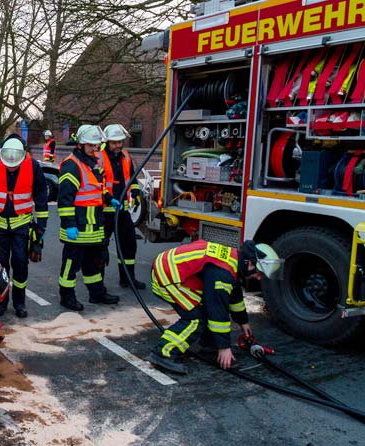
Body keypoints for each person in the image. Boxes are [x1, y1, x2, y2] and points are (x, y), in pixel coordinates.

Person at [147, 240, 282, 374]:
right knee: (196, 319)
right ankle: (162, 353)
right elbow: (216, 310)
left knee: (205, 310)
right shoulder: (222, 274)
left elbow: (234, 295)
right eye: (260, 273)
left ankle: (210, 347)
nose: (259, 278)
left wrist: (243, 321)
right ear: (251, 264)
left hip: (175, 271)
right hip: (167, 276)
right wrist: (224, 347)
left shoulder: (234, 262)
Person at [0, 134, 49, 318]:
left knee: (21, 262)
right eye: (8, 165)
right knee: (1, 265)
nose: (11, 167)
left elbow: (41, 197)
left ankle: (19, 303)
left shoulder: (33, 166)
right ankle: (2, 302)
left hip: (21, 224)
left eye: (15, 165)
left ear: (22, 157)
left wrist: (41, 227)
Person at [57, 125, 120, 311]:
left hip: (93, 227)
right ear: (80, 145)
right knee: (71, 265)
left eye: (97, 145)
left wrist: (109, 199)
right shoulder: (72, 165)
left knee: (93, 264)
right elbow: (65, 199)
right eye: (92, 146)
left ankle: (97, 293)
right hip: (77, 228)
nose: (96, 149)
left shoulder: (92, 163)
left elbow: (97, 188)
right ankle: (66, 297)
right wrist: (69, 225)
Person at [100, 124, 145, 289]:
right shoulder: (99, 157)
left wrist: (136, 193)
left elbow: (131, 178)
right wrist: (107, 196)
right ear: (107, 142)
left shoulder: (125, 156)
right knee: (100, 248)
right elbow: (96, 183)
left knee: (128, 244)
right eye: (114, 143)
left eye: (120, 142)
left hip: (123, 210)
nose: (118, 146)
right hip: (104, 211)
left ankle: (127, 279)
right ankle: (98, 286)